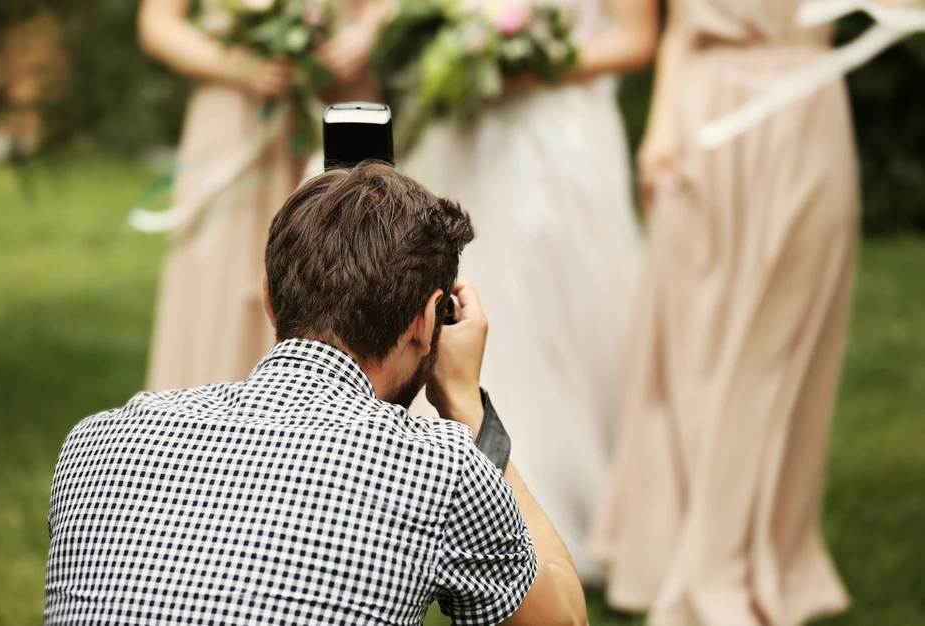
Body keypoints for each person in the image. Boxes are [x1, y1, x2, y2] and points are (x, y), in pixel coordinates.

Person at [44, 164, 587, 626]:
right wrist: (467, 405)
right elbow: (563, 620)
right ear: (428, 322)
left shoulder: (94, 443)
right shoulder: (440, 467)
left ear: (269, 298)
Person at [589, 1, 857, 625]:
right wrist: (661, 123)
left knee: (781, 342)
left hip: (806, 103)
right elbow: (680, 25)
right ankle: (670, 551)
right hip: (702, 110)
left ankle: (741, 558)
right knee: (692, 336)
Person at [403, 0, 658, 582]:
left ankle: (580, 507)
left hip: (560, 143)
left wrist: (530, 62)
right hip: (468, 136)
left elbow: (635, 40)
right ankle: (467, 504)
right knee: (476, 303)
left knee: (568, 318)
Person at [137, 0, 387, 391]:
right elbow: (158, 25)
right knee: (222, 279)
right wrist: (240, 66)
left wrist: (365, 34)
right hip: (234, 118)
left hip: (331, 112)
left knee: (340, 267)